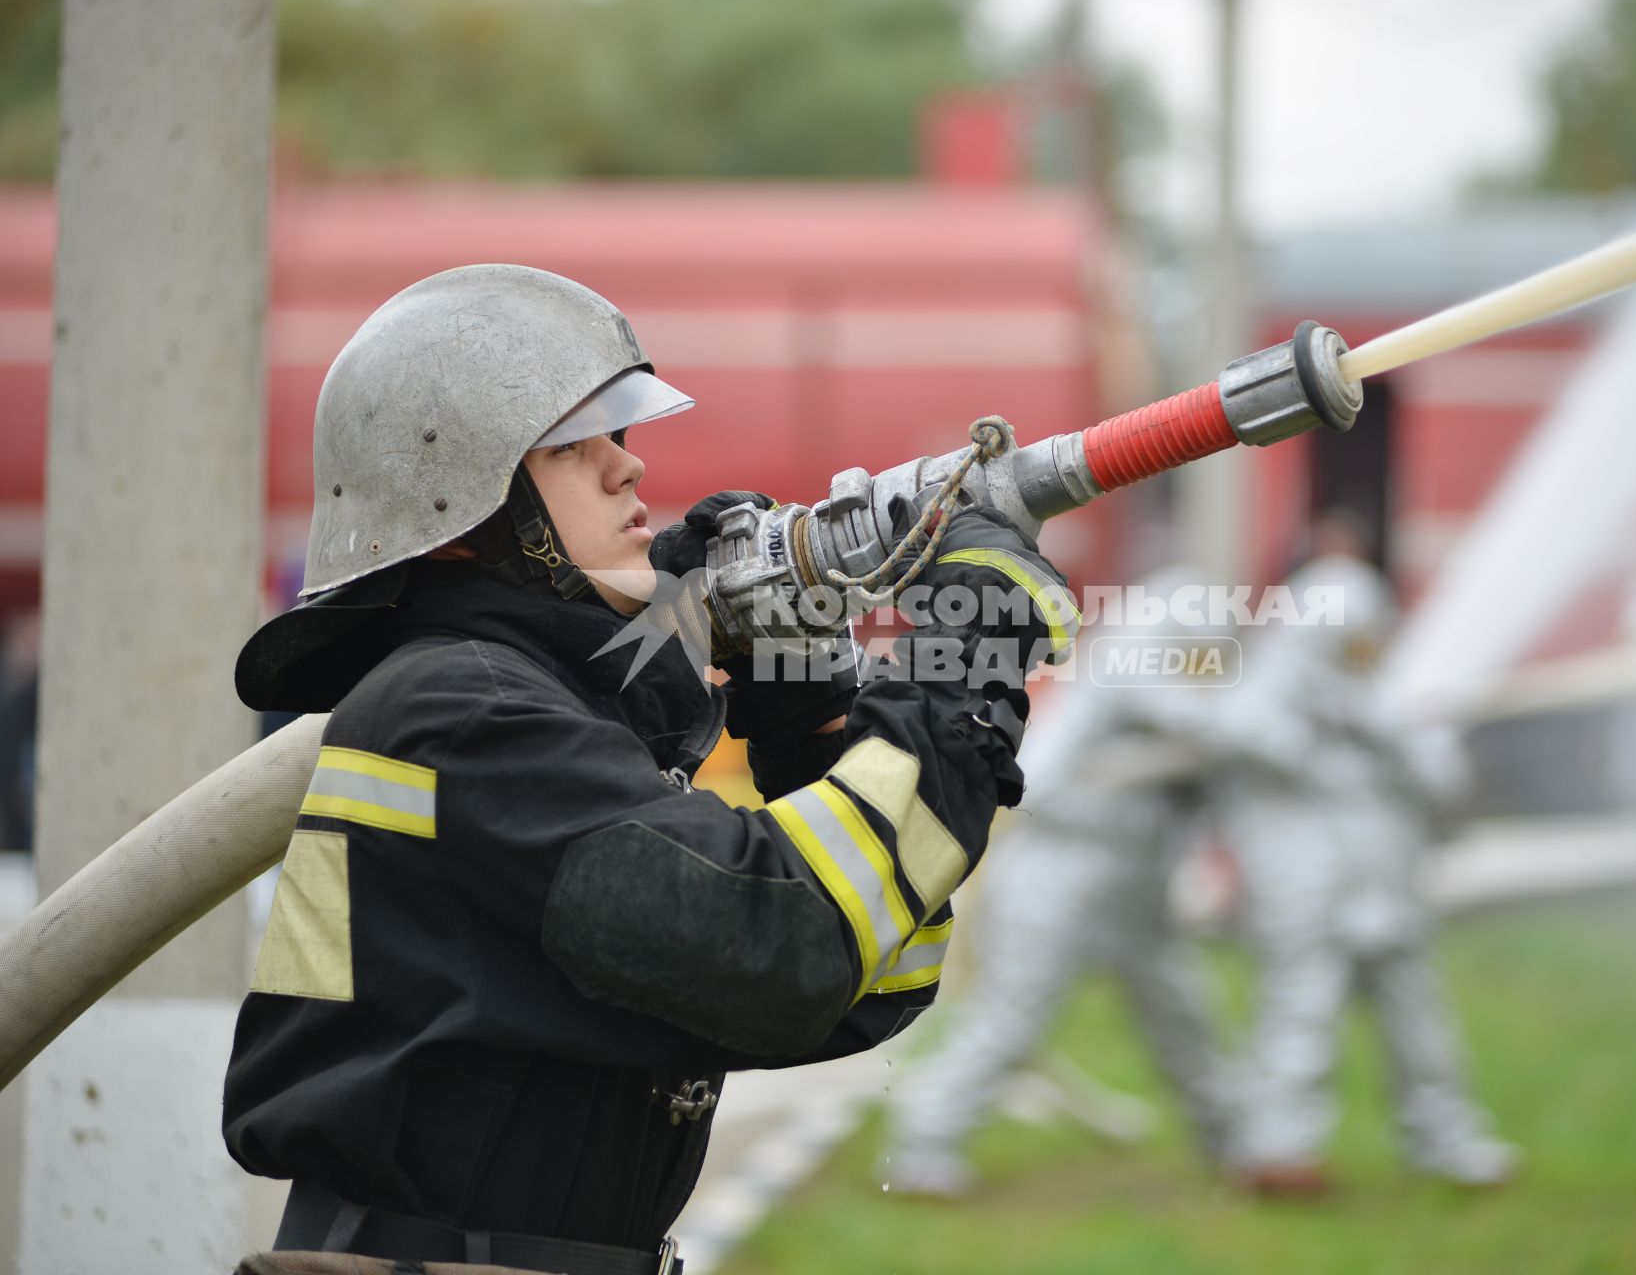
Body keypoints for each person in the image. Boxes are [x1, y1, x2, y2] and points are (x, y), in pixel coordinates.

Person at [223, 264, 1071, 1274]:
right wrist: (968, 652)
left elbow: (855, 978)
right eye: (572, 447)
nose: (626, 467)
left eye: (618, 435)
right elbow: (780, 942)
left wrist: (805, 708)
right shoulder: (462, 713)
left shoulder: (519, 709)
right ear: (460, 508)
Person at [883, 569, 1239, 1196]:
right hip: (1061, 873)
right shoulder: (1124, 676)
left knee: (1183, 1011)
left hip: (1139, 887)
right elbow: (1193, 721)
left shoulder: (1192, 695)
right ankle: (925, 1143)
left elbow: (1217, 741)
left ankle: (1235, 1140)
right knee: (1012, 1015)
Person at [1217, 521, 1514, 1192]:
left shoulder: (1392, 694)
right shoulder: (1269, 691)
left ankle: (1445, 1139)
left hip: (1389, 891)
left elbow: (1443, 781)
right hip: (1312, 898)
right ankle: (1279, 1149)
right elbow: (1236, 738)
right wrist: (1305, 740)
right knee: (1299, 1017)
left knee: (1422, 1030)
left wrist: (1384, 735)